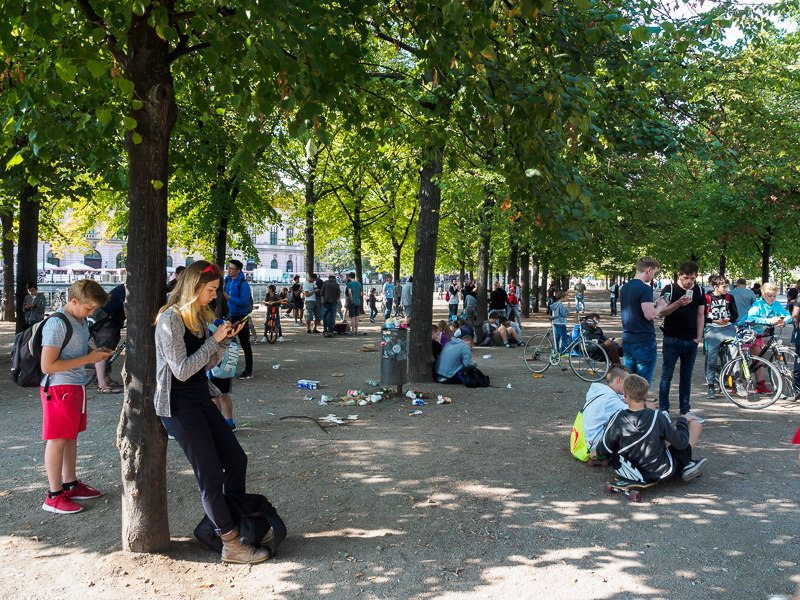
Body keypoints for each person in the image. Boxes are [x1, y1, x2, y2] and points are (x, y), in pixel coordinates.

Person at [154, 261, 268, 564]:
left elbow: (205, 366)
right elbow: (180, 370)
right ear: (194, 287)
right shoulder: (170, 319)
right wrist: (214, 342)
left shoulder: (199, 317)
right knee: (210, 474)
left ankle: (233, 524)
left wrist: (225, 340)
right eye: (211, 289)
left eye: (216, 289)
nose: (216, 295)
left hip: (200, 397)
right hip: (178, 405)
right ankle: (230, 543)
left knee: (236, 460)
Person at [40, 279, 113, 514]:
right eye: (89, 308)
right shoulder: (57, 323)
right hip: (59, 388)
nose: (91, 313)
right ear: (74, 301)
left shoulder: (79, 319)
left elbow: (76, 353)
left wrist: (93, 354)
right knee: (58, 439)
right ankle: (54, 495)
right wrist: (87, 359)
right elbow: (47, 366)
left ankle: (70, 484)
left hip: (74, 387)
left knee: (70, 437)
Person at [595, 374, 708, 484]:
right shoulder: (657, 416)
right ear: (647, 395)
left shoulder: (618, 418)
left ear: (624, 394)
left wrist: (594, 453)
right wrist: (682, 421)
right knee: (695, 425)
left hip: (634, 470)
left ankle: (686, 466)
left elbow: (603, 448)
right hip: (664, 472)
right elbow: (682, 444)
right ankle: (685, 466)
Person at [656, 261, 706, 422]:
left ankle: (685, 410)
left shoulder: (699, 290)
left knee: (686, 376)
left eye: (692, 278)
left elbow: (700, 315)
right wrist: (678, 303)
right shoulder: (669, 289)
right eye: (686, 278)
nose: (689, 282)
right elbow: (660, 312)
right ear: (679, 275)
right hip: (672, 338)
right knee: (667, 375)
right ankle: (664, 409)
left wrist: (698, 337)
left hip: (690, 340)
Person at [620, 257, 668, 385]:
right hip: (644, 340)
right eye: (654, 272)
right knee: (642, 384)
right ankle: (641, 405)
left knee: (629, 382)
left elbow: (636, 309)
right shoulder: (644, 288)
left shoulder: (625, 287)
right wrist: (661, 307)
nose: (654, 276)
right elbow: (649, 315)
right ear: (648, 270)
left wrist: (654, 305)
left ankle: (630, 405)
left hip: (628, 338)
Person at [743, 282, 791, 393]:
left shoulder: (776, 304)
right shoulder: (757, 305)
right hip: (746, 332)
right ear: (763, 295)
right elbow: (751, 318)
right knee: (742, 358)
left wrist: (783, 321)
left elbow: (787, 315)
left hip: (759, 334)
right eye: (770, 296)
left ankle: (760, 384)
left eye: (774, 295)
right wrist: (769, 321)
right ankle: (738, 381)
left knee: (758, 359)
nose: (772, 298)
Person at [582, 365, 630, 455]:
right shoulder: (609, 400)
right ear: (619, 380)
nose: (629, 386)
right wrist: (644, 407)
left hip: (590, 437)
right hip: (596, 443)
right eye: (627, 382)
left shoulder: (602, 392)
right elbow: (630, 415)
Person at [703, 275, 738, 399]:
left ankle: (737, 381)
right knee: (712, 356)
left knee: (736, 350)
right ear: (715, 287)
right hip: (712, 328)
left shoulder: (729, 297)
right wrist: (714, 320)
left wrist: (729, 319)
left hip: (727, 328)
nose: (726, 289)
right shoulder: (706, 298)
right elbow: (701, 316)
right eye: (724, 287)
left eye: (727, 287)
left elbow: (735, 314)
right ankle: (711, 385)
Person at [91, 283, 126, 394]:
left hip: (113, 321)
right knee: (103, 351)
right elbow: (128, 307)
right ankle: (102, 384)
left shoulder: (124, 287)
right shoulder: (127, 288)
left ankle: (106, 379)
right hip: (106, 321)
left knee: (109, 351)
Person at [224, 260, 253, 379]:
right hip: (228, 315)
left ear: (238, 270)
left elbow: (244, 302)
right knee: (225, 343)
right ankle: (224, 369)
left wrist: (230, 298)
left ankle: (248, 370)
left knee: (245, 343)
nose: (229, 270)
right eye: (228, 268)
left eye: (231, 269)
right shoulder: (227, 280)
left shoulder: (243, 284)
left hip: (240, 316)